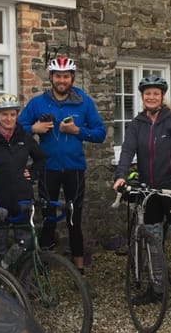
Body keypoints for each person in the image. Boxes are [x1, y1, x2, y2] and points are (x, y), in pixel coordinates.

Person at [113, 74, 171, 318]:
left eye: (155, 93)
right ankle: (157, 288)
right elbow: (127, 151)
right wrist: (120, 175)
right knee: (153, 243)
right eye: (147, 93)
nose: (151, 97)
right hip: (148, 192)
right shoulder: (136, 124)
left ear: (162, 96)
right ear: (142, 97)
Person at [18, 56, 106, 276]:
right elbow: (17, 129)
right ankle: (44, 266)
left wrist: (78, 131)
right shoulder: (38, 103)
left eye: (66, 76)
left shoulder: (83, 101)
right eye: (58, 76)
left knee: (74, 218)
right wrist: (34, 128)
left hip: (75, 169)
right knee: (48, 218)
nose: (62, 80)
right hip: (48, 169)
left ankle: (79, 267)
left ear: (72, 78)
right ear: (51, 77)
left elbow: (100, 133)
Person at [0, 94, 46, 264]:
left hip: (22, 199)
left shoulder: (24, 138)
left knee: (24, 245)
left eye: (12, 114)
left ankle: (21, 283)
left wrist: (33, 174)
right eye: (4, 114)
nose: (9, 119)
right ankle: (0, 281)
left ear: (17, 115)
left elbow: (41, 159)